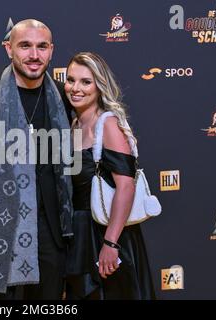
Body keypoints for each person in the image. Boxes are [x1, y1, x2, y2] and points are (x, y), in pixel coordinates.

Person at [0, 19, 74, 299]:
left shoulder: (63, 95)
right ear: (8, 49)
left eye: (41, 46)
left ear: (51, 50)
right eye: (25, 46)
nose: (34, 55)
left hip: (52, 231)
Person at [64, 52, 156, 299]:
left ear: (99, 85)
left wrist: (111, 243)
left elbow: (126, 186)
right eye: (70, 80)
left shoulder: (109, 124)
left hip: (108, 235)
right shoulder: (72, 126)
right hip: (79, 238)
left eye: (85, 82)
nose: (75, 88)